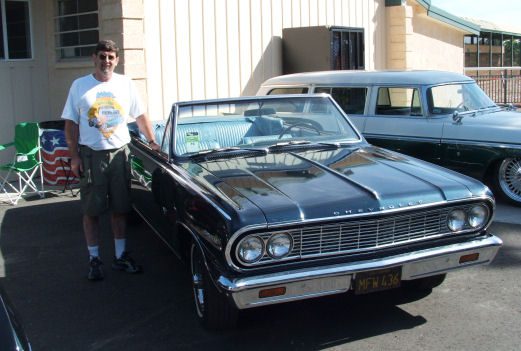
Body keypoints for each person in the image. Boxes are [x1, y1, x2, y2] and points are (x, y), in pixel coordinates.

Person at [61, 39, 160, 281]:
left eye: (111, 57)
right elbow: (71, 124)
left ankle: (120, 256)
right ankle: (94, 259)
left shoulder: (126, 84)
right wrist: (73, 156)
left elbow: (141, 116)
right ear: (94, 58)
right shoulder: (79, 86)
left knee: (120, 209)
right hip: (91, 155)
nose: (107, 61)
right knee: (91, 210)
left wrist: (153, 142)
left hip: (119, 154)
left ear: (117, 60)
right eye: (102, 56)